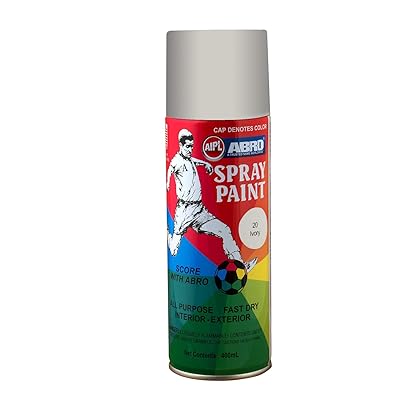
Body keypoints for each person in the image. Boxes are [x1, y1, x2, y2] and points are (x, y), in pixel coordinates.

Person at [167, 129, 257, 272]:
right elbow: (171, 169)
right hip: (184, 211)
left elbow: (194, 160)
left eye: (192, 146)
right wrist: (167, 183)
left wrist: (205, 164)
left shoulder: (189, 159)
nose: (190, 149)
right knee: (173, 251)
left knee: (224, 230)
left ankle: (240, 265)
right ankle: (168, 234)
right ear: (180, 145)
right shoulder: (176, 161)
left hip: (199, 210)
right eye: (187, 146)